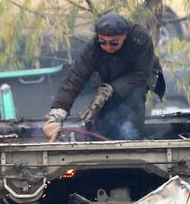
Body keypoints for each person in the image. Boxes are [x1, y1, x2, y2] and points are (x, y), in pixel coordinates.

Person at [43, 13, 165, 141]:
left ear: (124, 35)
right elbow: (75, 78)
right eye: (103, 42)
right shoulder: (92, 49)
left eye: (113, 43)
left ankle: (132, 143)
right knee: (103, 119)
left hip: (139, 79)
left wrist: (112, 89)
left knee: (133, 106)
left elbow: (143, 72)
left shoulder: (139, 37)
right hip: (110, 78)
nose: (107, 47)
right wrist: (57, 113)